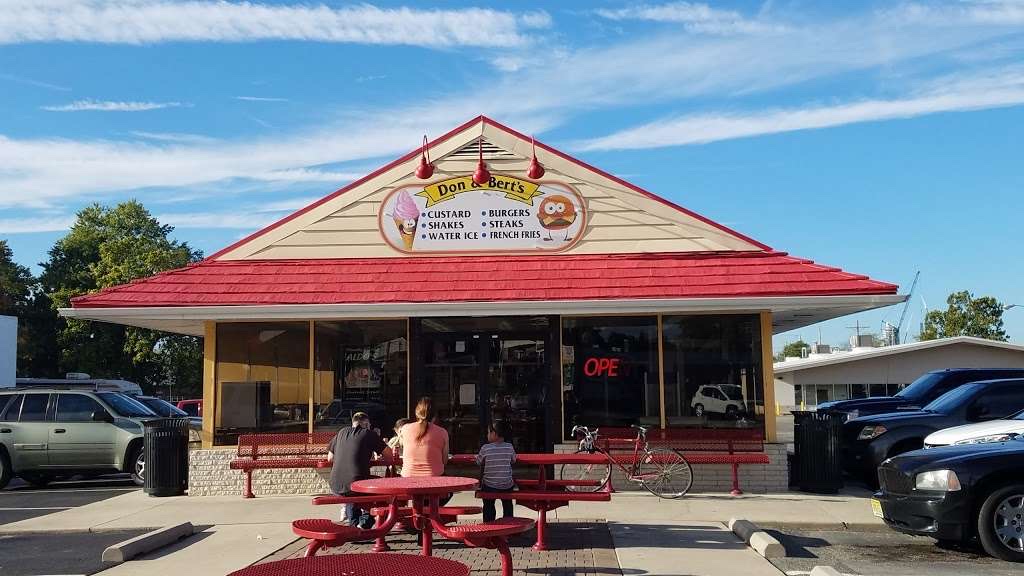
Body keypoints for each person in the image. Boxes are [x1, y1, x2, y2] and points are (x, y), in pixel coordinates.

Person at [326, 411, 392, 528]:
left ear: (353, 423)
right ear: (366, 424)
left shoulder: (341, 432)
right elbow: (389, 455)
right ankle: (366, 522)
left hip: (335, 484)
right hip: (354, 485)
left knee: (353, 487)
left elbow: (330, 459)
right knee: (378, 486)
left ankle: (353, 524)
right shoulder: (368, 434)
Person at [399, 397, 449, 478]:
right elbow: (444, 461)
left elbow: (402, 450)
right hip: (434, 478)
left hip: (408, 477)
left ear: (417, 412)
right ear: (435, 416)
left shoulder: (405, 429)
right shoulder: (442, 432)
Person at [476, 420, 516, 521]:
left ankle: (489, 524)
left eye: (488, 432)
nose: (487, 435)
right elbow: (513, 460)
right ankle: (509, 523)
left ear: (495, 434)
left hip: (489, 485)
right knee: (507, 504)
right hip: (507, 484)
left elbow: (478, 462)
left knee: (488, 504)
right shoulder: (509, 447)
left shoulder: (485, 448)